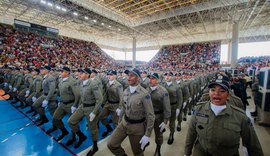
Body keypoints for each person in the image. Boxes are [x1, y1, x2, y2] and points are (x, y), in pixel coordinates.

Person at [184, 77, 264, 156]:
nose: (216, 94)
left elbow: (252, 144)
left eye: (222, 91)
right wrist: (186, 153)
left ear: (228, 95)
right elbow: (191, 133)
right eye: (213, 90)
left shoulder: (240, 116)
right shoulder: (199, 109)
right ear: (209, 93)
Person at [107, 68, 155, 156]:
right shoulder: (126, 91)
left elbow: (150, 115)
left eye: (132, 76)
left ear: (138, 78)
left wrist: (147, 134)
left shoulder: (144, 94)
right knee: (111, 144)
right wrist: (120, 119)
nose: (129, 78)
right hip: (124, 123)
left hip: (137, 127)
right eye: (128, 75)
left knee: (137, 152)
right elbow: (124, 106)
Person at [67, 68, 103, 155]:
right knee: (71, 121)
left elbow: (100, 99)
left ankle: (95, 147)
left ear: (87, 75)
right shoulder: (81, 82)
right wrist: (76, 106)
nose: (80, 74)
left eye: (82, 73)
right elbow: (81, 96)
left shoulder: (93, 84)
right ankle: (81, 136)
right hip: (82, 106)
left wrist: (94, 112)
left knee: (93, 129)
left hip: (91, 108)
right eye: (80, 72)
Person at [46, 67, 80, 141]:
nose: (60, 73)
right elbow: (60, 92)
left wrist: (75, 105)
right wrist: (59, 100)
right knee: (55, 118)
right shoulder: (60, 80)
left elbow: (77, 95)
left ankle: (74, 135)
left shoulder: (72, 81)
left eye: (62, 71)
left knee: (72, 122)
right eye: (60, 71)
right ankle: (64, 131)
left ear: (67, 73)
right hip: (62, 103)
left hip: (70, 104)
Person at [147, 72, 171, 156]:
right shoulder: (147, 89)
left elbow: (167, 108)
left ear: (157, 80)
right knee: (145, 131)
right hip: (148, 115)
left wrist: (165, 121)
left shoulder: (163, 91)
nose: (150, 80)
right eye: (149, 78)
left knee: (158, 134)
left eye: (152, 78)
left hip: (158, 116)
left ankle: (158, 149)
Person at [100, 70, 123, 137]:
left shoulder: (118, 85)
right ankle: (108, 128)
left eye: (111, 75)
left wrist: (120, 107)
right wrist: (102, 102)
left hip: (115, 105)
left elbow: (121, 97)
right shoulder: (107, 83)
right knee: (101, 117)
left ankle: (115, 136)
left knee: (115, 122)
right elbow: (105, 94)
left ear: (115, 76)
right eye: (108, 74)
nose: (109, 76)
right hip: (108, 103)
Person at [163, 72, 182, 145]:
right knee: (163, 120)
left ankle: (171, 134)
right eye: (166, 75)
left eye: (169, 75)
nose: (167, 77)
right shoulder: (162, 85)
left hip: (172, 106)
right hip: (163, 106)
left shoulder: (177, 86)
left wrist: (178, 108)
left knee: (172, 122)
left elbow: (180, 98)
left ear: (172, 77)